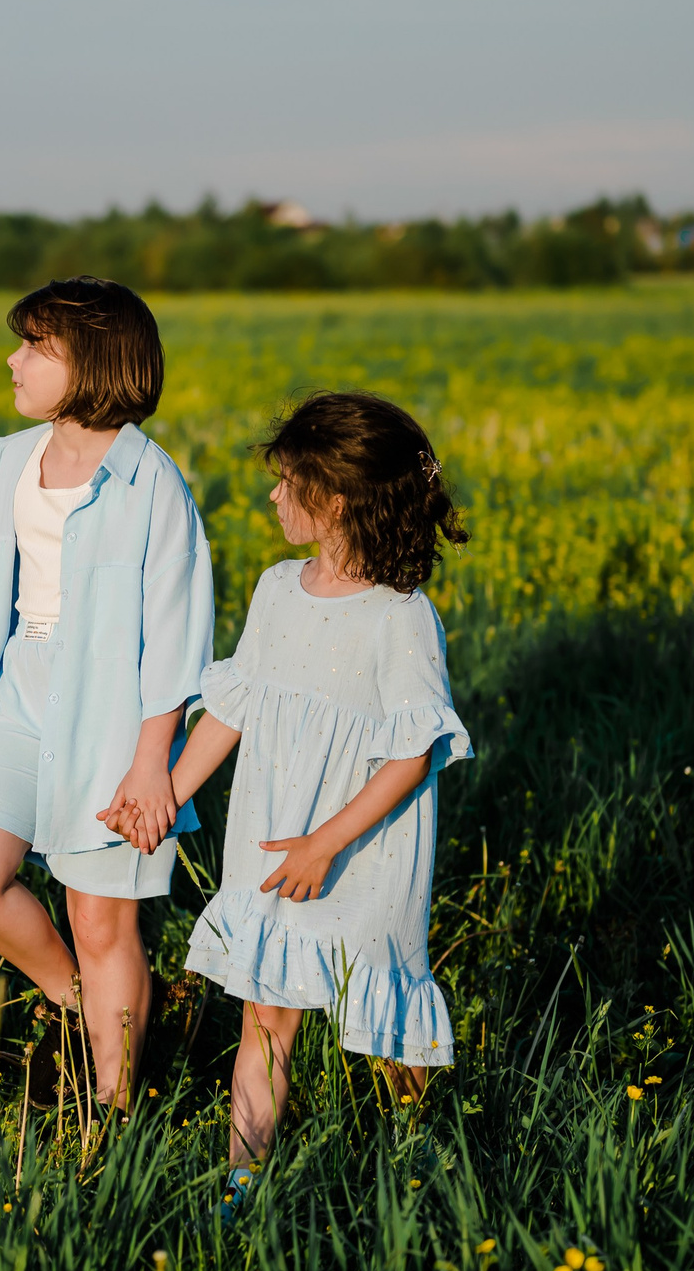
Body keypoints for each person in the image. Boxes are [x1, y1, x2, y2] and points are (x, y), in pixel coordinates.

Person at [127, 391, 469, 1217]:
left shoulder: (400, 616)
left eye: (286, 482)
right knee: (266, 1017)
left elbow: (411, 752)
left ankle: (425, 1157)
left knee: (377, 1012)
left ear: (337, 497)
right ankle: (240, 1187)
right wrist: (166, 792)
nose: (272, 497)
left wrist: (326, 842)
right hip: (275, 842)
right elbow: (236, 706)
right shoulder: (279, 588)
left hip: (359, 848)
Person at [0, 277, 213, 1109]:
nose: (12, 359)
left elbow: (178, 637)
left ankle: (110, 1108)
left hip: (113, 720)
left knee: (102, 922)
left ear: (91, 364)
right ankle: (76, 999)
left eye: (34, 347)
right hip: (16, 699)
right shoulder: (9, 459)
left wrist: (153, 761)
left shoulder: (154, 485)